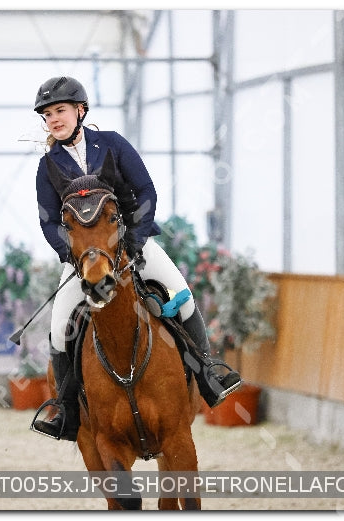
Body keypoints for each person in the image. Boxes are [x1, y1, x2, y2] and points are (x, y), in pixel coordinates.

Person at [30, 76, 241, 441]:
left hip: (132, 246)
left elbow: (145, 190)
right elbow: (49, 221)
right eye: (48, 115)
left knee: (182, 295)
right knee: (59, 324)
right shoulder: (47, 167)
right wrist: (73, 256)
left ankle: (208, 371)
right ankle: (65, 407)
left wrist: (138, 239)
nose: (54, 119)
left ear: (80, 111)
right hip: (83, 259)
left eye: (60, 111)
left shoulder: (111, 144)